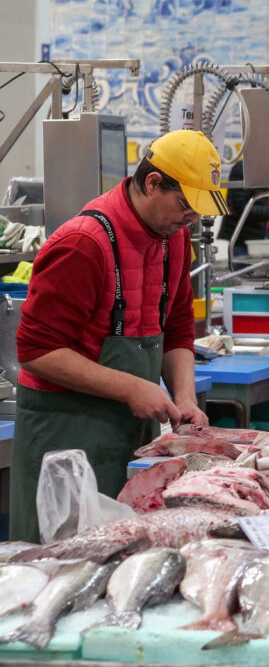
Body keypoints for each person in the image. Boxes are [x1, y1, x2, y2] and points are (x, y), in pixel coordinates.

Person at [10, 129, 222, 542]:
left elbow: (177, 323)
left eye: (198, 210)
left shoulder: (173, 238)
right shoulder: (82, 244)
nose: (191, 219)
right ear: (153, 182)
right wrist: (131, 387)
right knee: (60, 559)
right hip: (65, 434)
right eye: (185, 204)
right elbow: (36, 350)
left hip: (128, 430)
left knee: (121, 554)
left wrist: (184, 398)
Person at [217, 159, 269, 257]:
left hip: (263, 236)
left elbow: (263, 199)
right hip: (245, 239)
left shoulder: (266, 169)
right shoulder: (244, 168)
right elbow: (238, 206)